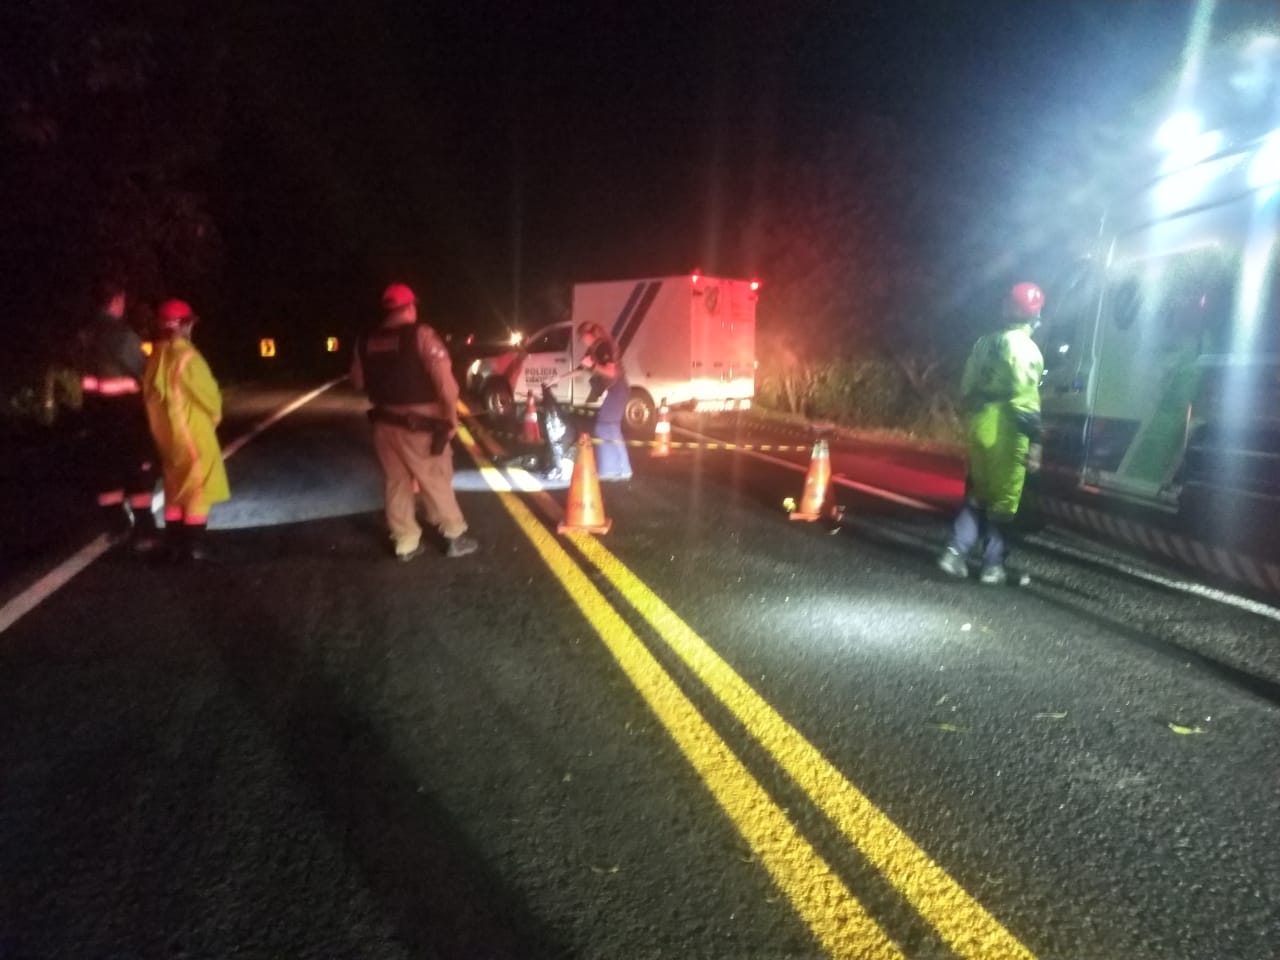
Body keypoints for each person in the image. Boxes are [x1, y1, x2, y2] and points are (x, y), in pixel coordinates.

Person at [351, 283, 478, 561]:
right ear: (409, 307)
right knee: (434, 478)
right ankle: (454, 536)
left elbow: (358, 381)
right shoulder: (421, 335)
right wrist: (451, 418)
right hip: (420, 426)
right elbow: (446, 385)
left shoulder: (365, 340)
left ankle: (405, 543)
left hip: (383, 425)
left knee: (396, 482)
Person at [938, 281, 1046, 585]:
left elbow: (967, 387)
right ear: (1035, 316)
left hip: (980, 424)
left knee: (977, 496)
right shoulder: (1026, 349)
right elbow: (1025, 401)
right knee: (1004, 503)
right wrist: (1035, 441)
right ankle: (992, 566)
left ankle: (953, 554)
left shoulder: (984, 343)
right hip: (1007, 432)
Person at [142, 299, 230, 561]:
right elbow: (209, 395)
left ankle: (174, 543)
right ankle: (194, 545)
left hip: (166, 437)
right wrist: (214, 417)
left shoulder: (156, 357)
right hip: (192, 433)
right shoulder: (188, 357)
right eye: (189, 323)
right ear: (183, 325)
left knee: (174, 487)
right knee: (198, 488)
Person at [77, 282, 160, 551]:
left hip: (95, 417)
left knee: (107, 471)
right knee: (138, 472)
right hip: (127, 415)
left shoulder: (85, 335)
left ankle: (116, 526)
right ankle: (145, 530)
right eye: (122, 299)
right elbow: (144, 372)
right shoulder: (123, 336)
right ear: (115, 300)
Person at [564, 320, 632, 481]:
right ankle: (623, 469)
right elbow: (581, 369)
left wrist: (593, 366)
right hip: (617, 390)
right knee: (611, 427)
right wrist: (559, 379)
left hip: (618, 389)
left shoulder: (602, 346)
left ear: (590, 334)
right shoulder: (594, 349)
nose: (582, 340)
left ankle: (610, 470)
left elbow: (611, 372)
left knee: (604, 426)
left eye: (582, 337)